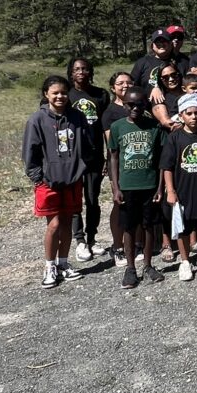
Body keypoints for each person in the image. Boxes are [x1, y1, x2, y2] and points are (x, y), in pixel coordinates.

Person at [22, 75, 94, 289]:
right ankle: (50, 266)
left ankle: (63, 263)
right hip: (49, 182)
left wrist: (82, 166)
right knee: (53, 225)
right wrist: (38, 177)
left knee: (66, 224)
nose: (60, 96)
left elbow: (87, 144)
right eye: (55, 93)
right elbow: (30, 153)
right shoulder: (37, 120)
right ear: (46, 94)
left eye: (63, 92)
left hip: (72, 179)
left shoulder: (77, 117)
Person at [108, 87, 166, 289]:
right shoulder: (117, 127)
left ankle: (148, 265)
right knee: (129, 227)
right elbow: (113, 158)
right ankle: (130, 268)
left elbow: (161, 160)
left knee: (149, 225)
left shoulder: (154, 127)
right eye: (130, 104)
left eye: (140, 104)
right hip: (128, 185)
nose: (135, 108)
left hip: (149, 184)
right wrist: (116, 187)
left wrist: (160, 187)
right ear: (124, 105)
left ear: (145, 105)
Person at [161, 93, 197, 282]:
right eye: (189, 113)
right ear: (181, 115)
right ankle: (185, 261)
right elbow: (167, 167)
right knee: (183, 228)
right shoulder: (174, 138)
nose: (194, 117)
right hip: (182, 190)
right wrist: (170, 190)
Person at [66, 57, 111, 262]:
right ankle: (80, 241)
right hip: (73, 158)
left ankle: (92, 239)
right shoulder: (66, 94)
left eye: (85, 69)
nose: (81, 72)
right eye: (77, 69)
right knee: (76, 201)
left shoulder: (100, 95)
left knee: (93, 199)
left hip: (95, 156)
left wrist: (108, 156)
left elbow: (106, 128)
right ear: (71, 72)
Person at [101, 71, 133, 268]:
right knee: (120, 204)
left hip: (138, 162)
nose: (125, 86)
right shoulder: (110, 112)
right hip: (119, 163)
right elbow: (110, 143)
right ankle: (117, 246)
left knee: (135, 204)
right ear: (113, 88)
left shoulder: (138, 106)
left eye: (129, 82)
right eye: (120, 83)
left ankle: (135, 243)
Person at [131, 29, 188, 105]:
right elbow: (133, 86)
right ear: (152, 46)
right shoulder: (142, 62)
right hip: (148, 108)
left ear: (171, 44)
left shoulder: (182, 61)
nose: (161, 44)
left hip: (179, 105)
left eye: (164, 41)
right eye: (158, 42)